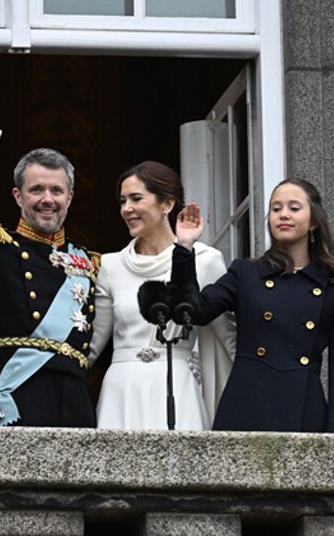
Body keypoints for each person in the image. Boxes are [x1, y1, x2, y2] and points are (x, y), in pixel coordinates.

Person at [0, 105, 97, 427]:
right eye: (36, 189)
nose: (47, 199)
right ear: (17, 196)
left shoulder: (88, 263)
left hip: (75, 400)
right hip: (19, 395)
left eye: (56, 190)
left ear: (70, 197)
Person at [171, 179, 334, 432]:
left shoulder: (332, 285)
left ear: (313, 221)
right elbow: (195, 312)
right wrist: (184, 248)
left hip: (304, 410)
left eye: (294, 207)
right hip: (245, 405)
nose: (284, 215)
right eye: (276, 208)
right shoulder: (245, 273)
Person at [89, 161, 236, 430]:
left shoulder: (204, 260)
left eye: (136, 199)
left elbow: (229, 339)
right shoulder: (110, 265)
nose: (126, 209)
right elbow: (93, 345)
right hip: (121, 390)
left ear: (167, 204)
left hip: (178, 386)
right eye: (122, 201)